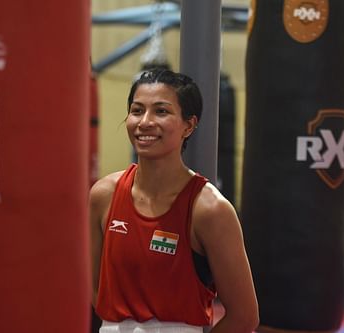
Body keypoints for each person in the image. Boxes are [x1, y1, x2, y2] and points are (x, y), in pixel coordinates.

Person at [89, 68, 259, 333]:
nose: (145, 122)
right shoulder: (104, 195)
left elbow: (245, 317)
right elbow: (95, 292)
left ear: (189, 125)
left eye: (161, 111)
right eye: (137, 110)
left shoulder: (209, 209)